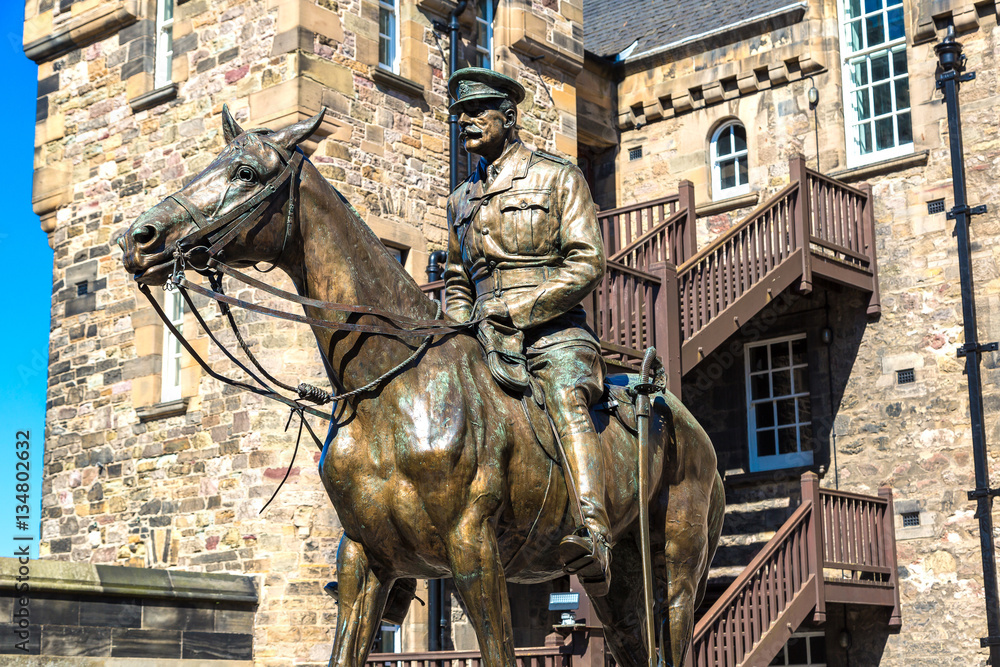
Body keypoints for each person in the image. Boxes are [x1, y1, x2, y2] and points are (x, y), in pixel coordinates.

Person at [442, 67, 611, 596]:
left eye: (476, 113)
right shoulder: (459, 200)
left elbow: (587, 262)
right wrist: (453, 330)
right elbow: (456, 279)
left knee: (564, 397)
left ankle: (595, 531)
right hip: (482, 338)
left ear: (508, 117)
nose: (464, 122)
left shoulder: (558, 176)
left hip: (552, 334)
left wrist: (518, 310)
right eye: (459, 115)